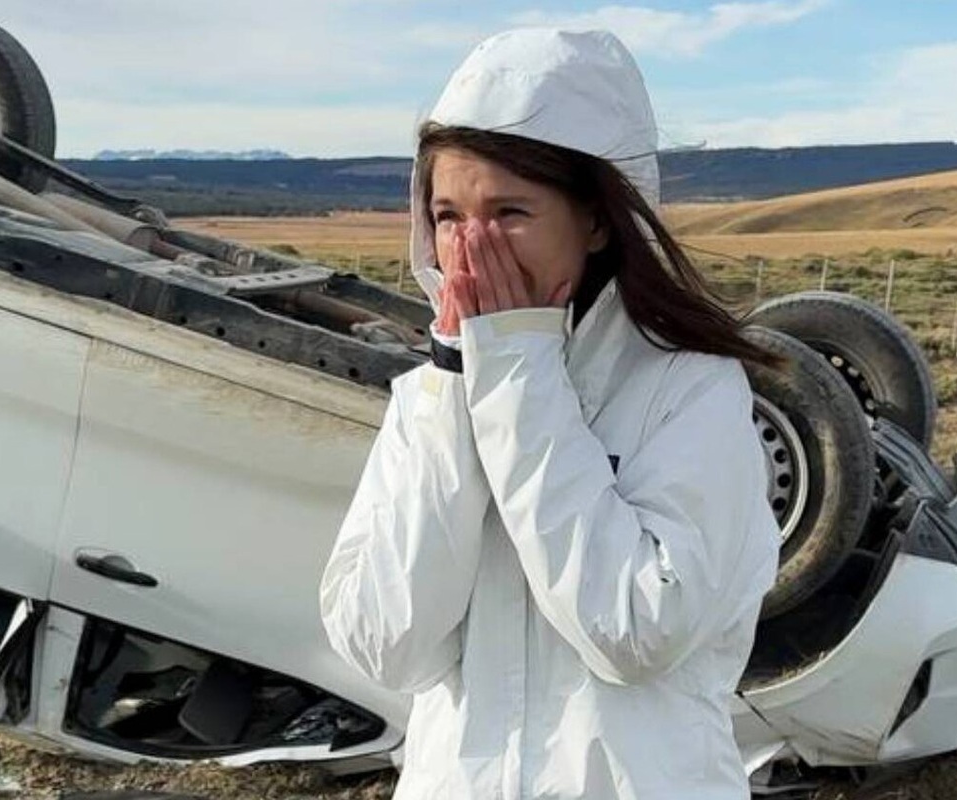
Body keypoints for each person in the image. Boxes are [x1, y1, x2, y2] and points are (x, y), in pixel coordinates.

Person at [320, 28, 781, 800]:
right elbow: (383, 644)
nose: (471, 251)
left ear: (597, 220)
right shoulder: (426, 400)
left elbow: (635, 629)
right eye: (446, 216)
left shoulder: (691, 390)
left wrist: (519, 373)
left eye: (508, 213)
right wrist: (460, 381)